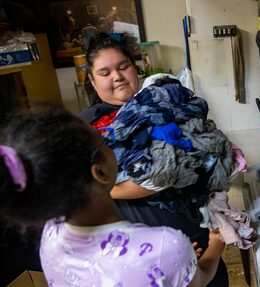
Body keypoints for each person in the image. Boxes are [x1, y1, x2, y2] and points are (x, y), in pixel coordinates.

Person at [0, 107, 225, 286]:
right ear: (100, 172)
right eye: (103, 140)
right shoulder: (166, 246)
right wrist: (215, 244)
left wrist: (173, 265)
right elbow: (200, 280)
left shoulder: (51, 234)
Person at [80, 33, 230, 286]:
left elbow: (203, 156)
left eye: (123, 67)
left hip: (198, 235)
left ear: (135, 69)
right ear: (93, 82)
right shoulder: (89, 129)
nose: (117, 76)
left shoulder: (169, 105)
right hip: (144, 254)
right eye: (104, 73)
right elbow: (85, 191)